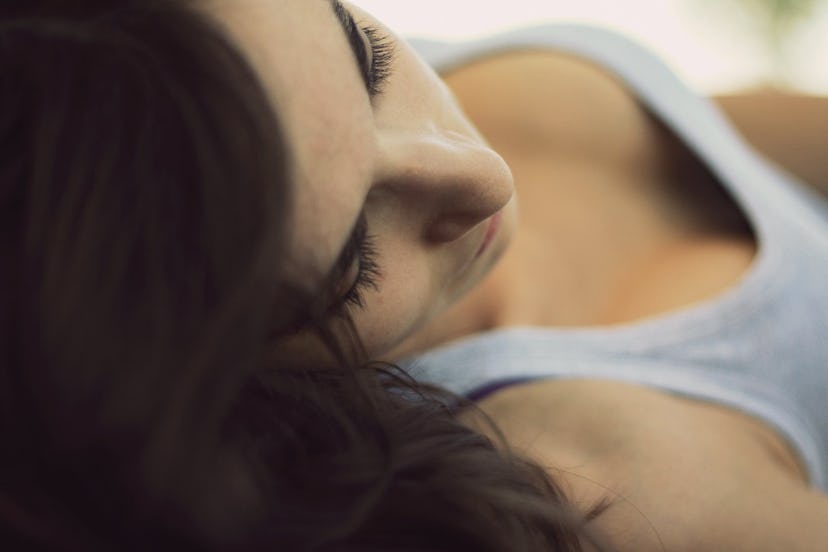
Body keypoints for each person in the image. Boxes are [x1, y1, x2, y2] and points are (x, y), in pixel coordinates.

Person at [2, 0, 827, 550]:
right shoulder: (614, 475)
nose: (485, 177)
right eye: (354, 261)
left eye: (372, 63)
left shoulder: (268, 81)